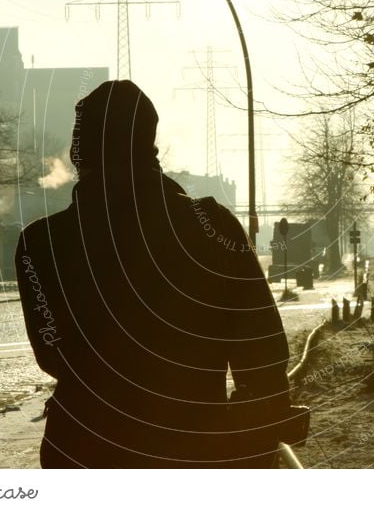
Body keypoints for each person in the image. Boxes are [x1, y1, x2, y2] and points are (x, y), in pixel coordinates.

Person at [15, 80, 291, 468]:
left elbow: (53, 355)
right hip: (192, 449)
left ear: (83, 150)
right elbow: (260, 353)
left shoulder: (41, 244)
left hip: (86, 450)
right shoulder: (214, 228)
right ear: (148, 141)